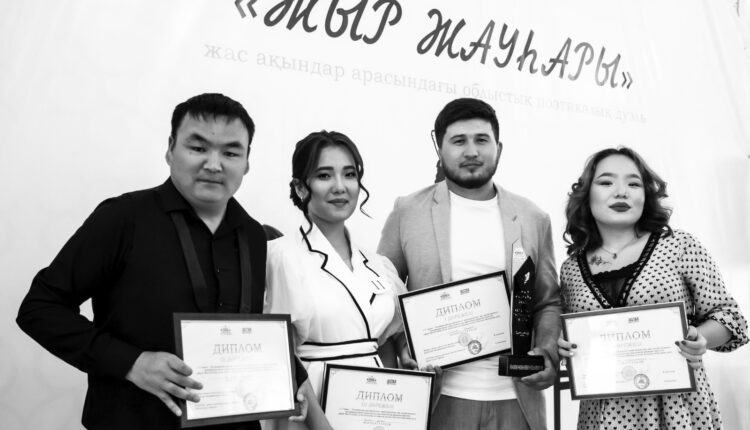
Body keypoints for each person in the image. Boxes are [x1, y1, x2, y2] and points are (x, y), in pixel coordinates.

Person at [16, 93, 314, 430]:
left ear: (246, 162)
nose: (214, 164)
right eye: (198, 148)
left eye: (231, 153)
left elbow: (247, 327)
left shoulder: (254, 235)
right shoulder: (123, 218)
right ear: (170, 149)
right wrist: (132, 363)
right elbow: (40, 307)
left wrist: (288, 380)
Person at [377, 98, 561, 430]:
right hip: (439, 398)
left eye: (481, 140)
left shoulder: (533, 218)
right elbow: (382, 295)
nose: (472, 151)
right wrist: (405, 348)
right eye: (459, 141)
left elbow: (547, 301)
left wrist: (547, 352)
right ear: (439, 148)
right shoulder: (408, 212)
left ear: (498, 148)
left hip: (516, 398)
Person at [557, 147, 748, 429]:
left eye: (634, 184)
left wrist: (700, 339)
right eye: (606, 182)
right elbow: (572, 338)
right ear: (586, 194)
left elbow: (732, 319)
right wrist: (563, 345)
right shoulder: (571, 269)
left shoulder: (679, 245)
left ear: (646, 195)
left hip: (677, 410)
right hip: (602, 415)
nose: (621, 192)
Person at [264, 130, 406, 427]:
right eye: (324, 176)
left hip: (376, 407)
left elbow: (387, 341)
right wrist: (320, 424)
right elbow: (278, 354)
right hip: (310, 404)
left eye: (349, 174)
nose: (340, 187)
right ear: (301, 187)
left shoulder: (377, 264)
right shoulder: (280, 257)